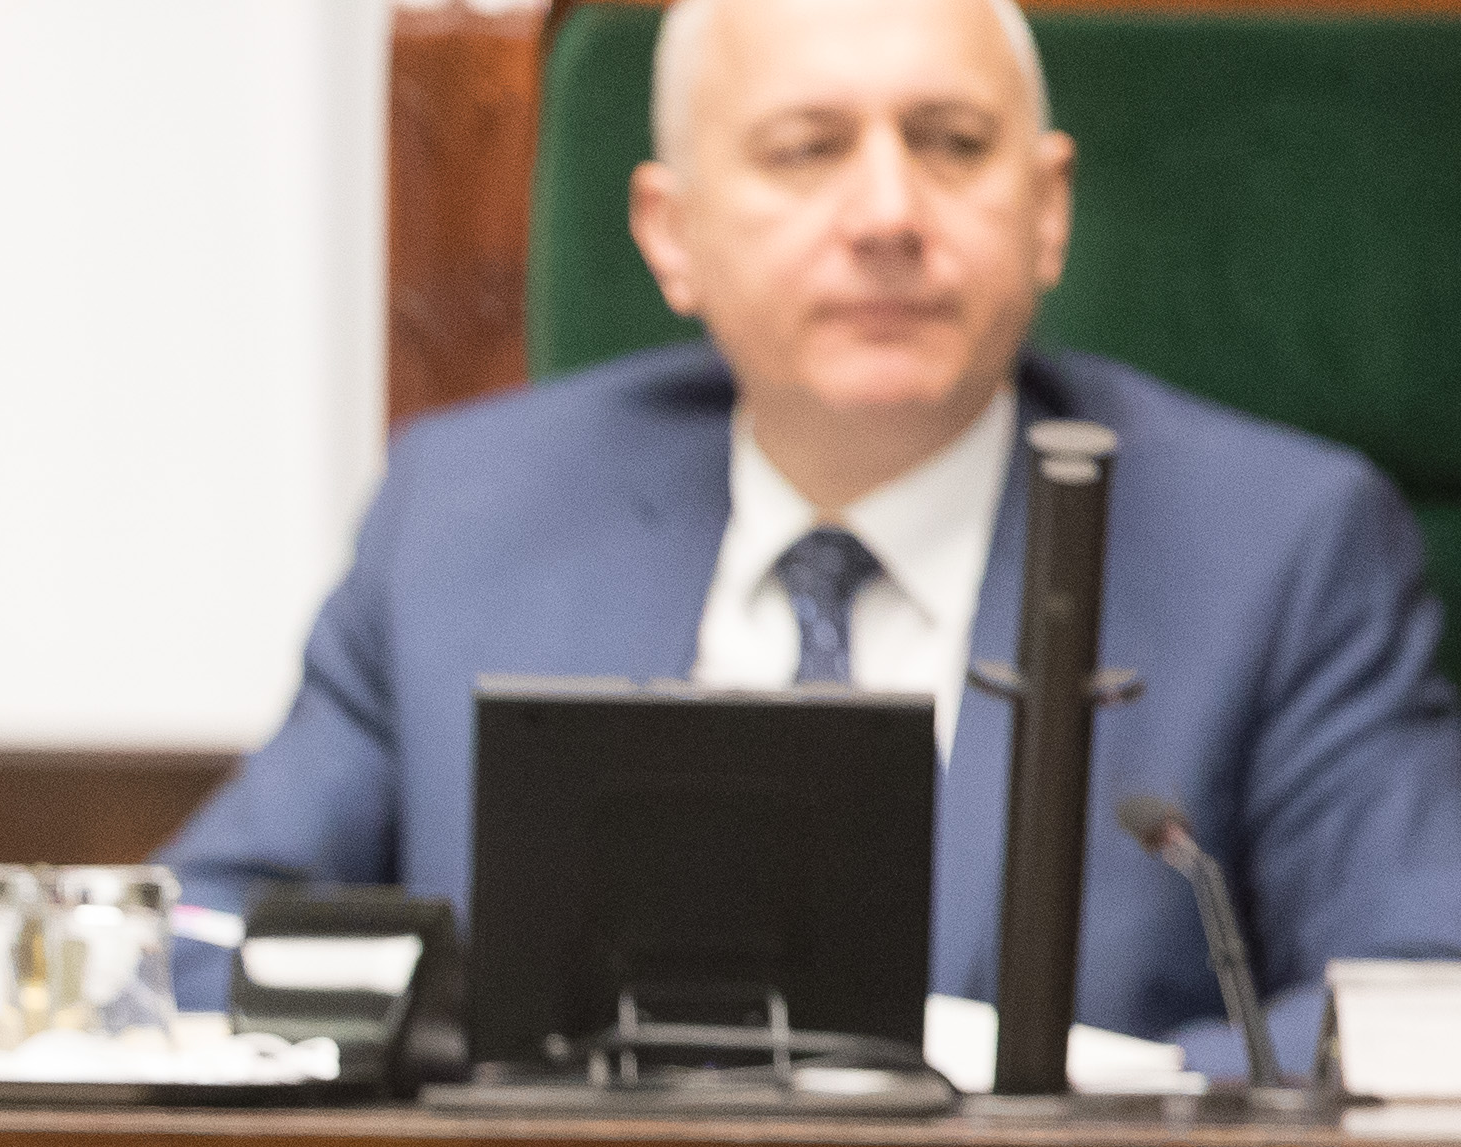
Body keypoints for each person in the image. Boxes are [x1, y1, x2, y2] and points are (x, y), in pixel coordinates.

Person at [162, 0, 1461, 1077]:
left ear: (1048, 207)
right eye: (806, 150)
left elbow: (1421, 995)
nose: (889, 213)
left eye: (951, 143)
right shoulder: (469, 513)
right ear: (671, 234)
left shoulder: (1280, 547)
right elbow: (204, 937)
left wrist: (1100, 1093)